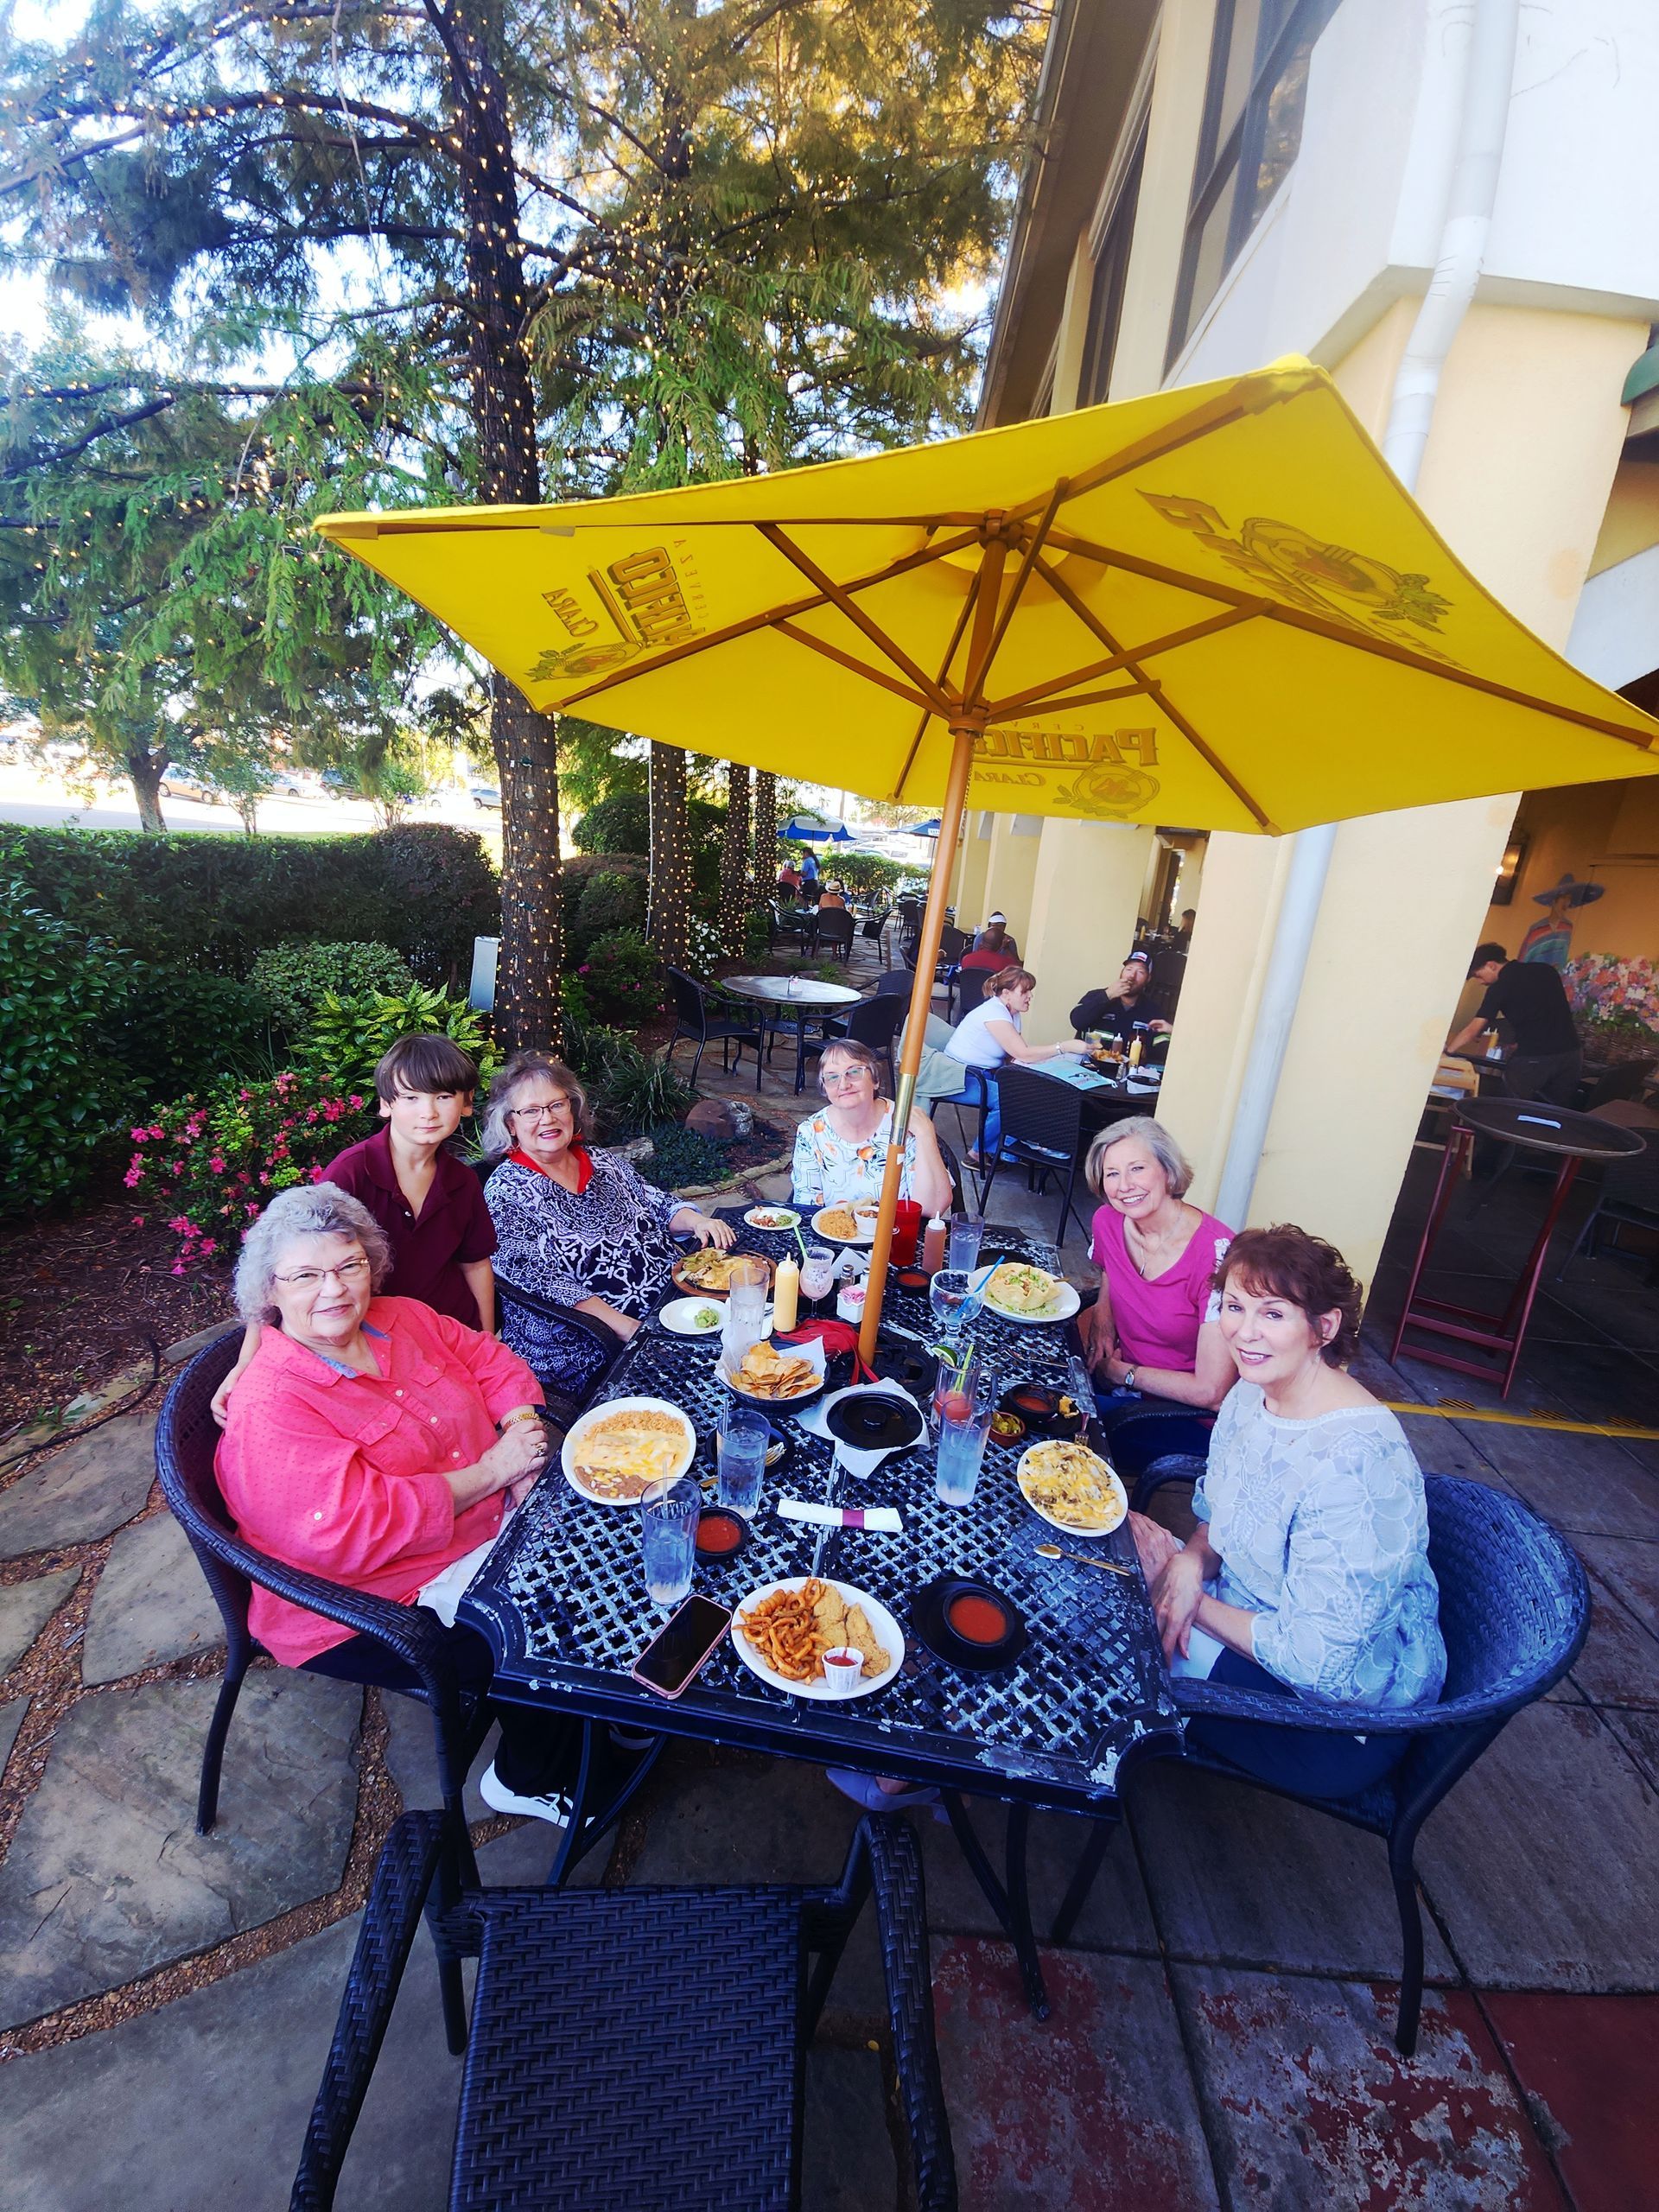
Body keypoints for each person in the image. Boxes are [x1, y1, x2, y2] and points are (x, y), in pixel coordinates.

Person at [214, 1182, 580, 1822]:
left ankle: (594, 1714)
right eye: (305, 1275)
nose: (334, 1290)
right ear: (268, 1291)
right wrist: (494, 1473)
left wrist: (522, 1436)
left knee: (599, 1545)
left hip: (486, 1526)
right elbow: (353, 1529)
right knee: (544, 1632)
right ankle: (527, 1774)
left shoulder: (400, 1317)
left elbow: (490, 1360)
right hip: (369, 1596)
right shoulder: (273, 1404)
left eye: (349, 1265)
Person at [1140, 1224, 1446, 1796]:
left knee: (1103, 1634)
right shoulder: (1253, 1393)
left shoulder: (1355, 1465)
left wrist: (1189, 1598)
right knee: (1103, 1555)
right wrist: (1187, 1564)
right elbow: (1221, 1517)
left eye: (1273, 1314)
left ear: (1322, 1328)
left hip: (1323, 1725)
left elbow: (1320, 1665)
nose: (1244, 1332)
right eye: (1233, 1306)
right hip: (1246, 1620)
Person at [211, 1033, 497, 1425]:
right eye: (411, 1098)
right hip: (373, 1336)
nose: (428, 1112)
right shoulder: (350, 1173)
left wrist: (487, 1333)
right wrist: (246, 1362)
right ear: (386, 1105)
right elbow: (279, 1268)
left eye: (443, 1097)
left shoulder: (462, 1181)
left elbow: (475, 1262)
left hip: (448, 1328)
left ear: (465, 1105)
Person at [483, 1054, 735, 1393]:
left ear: (572, 1109)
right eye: (531, 1110)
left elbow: (655, 1201)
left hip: (673, 1299)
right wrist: (628, 1328)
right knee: (717, 1377)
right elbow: (542, 1282)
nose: (548, 1118)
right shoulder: (506, 1191)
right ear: (511, 1124)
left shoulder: (601, 1161)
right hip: (584, 1340)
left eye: (557, 1105)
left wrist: (696, 1220)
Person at [1079, 1117, 1234, 1440]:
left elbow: (1212, 1392)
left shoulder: (1217, 1255)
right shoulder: (1108, 1221)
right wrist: (1103, 1318)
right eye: (1112, 1173)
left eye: (1137, 1168)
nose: (1124, 1186)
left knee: (1063, 1429)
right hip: (1123, 1389)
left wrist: (1122, 1374)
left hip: (1184, 1414)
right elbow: (1111, 1267)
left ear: (1167, 1170)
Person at [943, 966, 1091, 1164]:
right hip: (957, 1077)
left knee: (1027, 1091)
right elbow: (1023, 1054)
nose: (1030, 996)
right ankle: (976, 1154)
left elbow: (1016, 1055)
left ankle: (1007, 1151)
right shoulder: (994, 1013)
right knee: (1009, 1101)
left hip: (981, 1074)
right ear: (1006, 994)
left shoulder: (1012, 1013)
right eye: (1025, 991)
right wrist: (1063, 1047)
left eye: (1030, 991)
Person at [791, 1039, 953, 1216]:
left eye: (854, 1072)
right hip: (834, 1238)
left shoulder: (903, 1125)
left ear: (875, 1080)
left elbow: (932, 1207)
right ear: (825, 1089)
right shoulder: (811, 1133)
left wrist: (925, 1133)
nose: (844, 1084)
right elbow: (805, 1210)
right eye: (832, 1077)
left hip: (895, 1237)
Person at [1448, 942, 1582, 1105]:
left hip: (1535, 1057)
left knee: (1509, 1110)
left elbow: (1473, 1030)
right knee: (1553, 1113)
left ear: (1491, 965)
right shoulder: (1546, 970)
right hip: (1572, 1054)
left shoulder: (1499, 988)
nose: (1479, 982)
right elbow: (1543, 1012)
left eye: (1478, 975)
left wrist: (1449, 1051)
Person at [1070, 952, 1172, 1046]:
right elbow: (1076, 1021)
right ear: (1122, 972)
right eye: (1129, 969)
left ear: (1148, 979)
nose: (1132, 976)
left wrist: (1172, 1031)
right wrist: (1108, 995)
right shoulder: (1097, 996)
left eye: (1140, 972)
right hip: (1088, 1062)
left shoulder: (1154, 1010)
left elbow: (1163, 1051)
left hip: (1130, 1064)